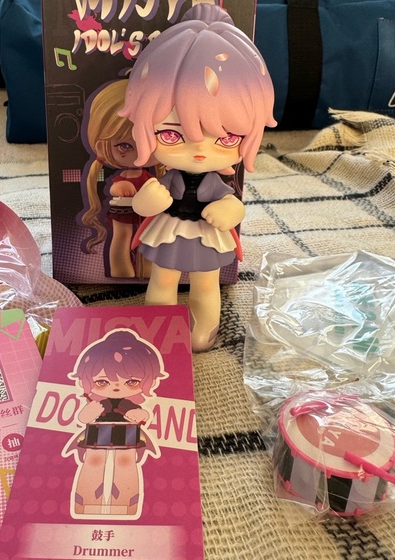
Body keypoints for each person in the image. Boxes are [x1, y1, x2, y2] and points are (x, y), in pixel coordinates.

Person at [120, 4, 276, 351]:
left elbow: (232, 204)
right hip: (170, 230)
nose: (200, 151)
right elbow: (142, 206)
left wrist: (230, 210)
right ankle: (160, 337)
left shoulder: (214, 183)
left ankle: (203, 335)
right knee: (162, 283)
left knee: (206, 286)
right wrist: (148, 200)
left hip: (207, 235)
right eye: (172, 134)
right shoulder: (169, 178)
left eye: (226, 138)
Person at [65, 329, 167, 518]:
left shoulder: (127, 404)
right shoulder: (99, 404)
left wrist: (141, 414)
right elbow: (84, 418)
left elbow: (142, 414)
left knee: (125, 462)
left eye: (132, 382)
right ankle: (85, 504)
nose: (117, 387)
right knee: (93, 461)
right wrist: (87, 414)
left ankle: (126, 506)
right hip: (98, 430)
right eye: (103, 382)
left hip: (127, 431)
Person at [81, 79, 157, 278]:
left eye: (150, 143)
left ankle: (148, 270)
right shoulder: (124, 177)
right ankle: (121, 270)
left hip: (148, 209)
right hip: (124, 207)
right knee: (122, 236)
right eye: (125, 146)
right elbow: (115, 188)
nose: (140, 154)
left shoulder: (150, 177)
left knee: (149, 237)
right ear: (103, 145)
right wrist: (120, 187)